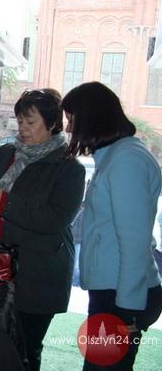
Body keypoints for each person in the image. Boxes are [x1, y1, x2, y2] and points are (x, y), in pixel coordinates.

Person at [0, 89, 85, 371]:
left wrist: (1, 199)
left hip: (36, 276)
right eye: (20, 121)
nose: (23, 129)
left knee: (23, 351)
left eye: (30, 122)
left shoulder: (69, 168)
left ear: (52, 123)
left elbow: (54, 220)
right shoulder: (6, 154)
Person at [62, 81, 162, 370]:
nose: (69, 128)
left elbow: (134, 241)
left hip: (122, 295)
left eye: (72, 119)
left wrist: (126, 309)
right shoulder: (116, 156)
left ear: (91, 117)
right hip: (114, 291)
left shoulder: (126, 159)